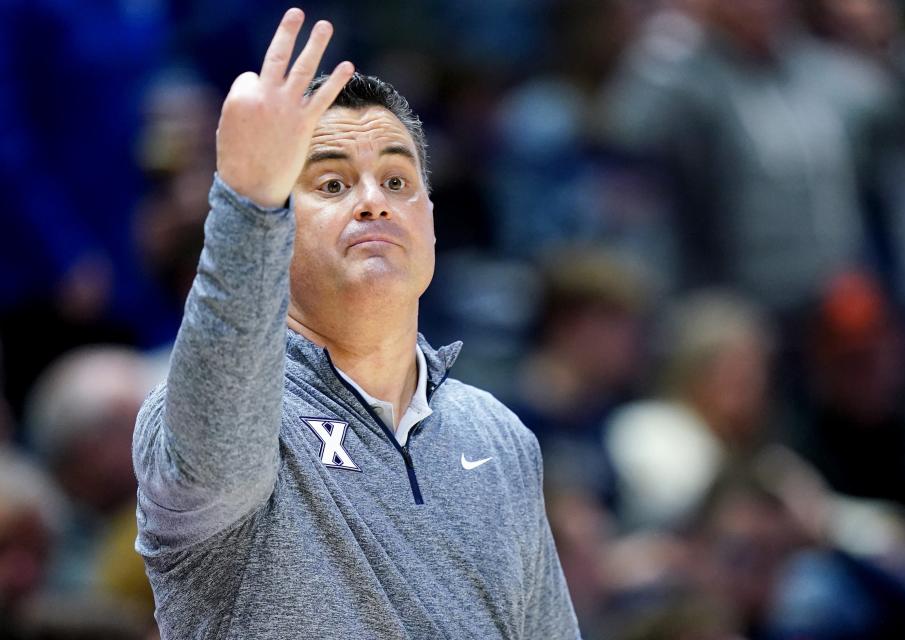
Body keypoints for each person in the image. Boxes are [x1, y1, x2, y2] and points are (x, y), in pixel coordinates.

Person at [132, 9, 579, 639]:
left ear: (429, 218)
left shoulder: (501, 435)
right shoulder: (211, 422)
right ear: (275, 228)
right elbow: (220, 440)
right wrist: (247, 195)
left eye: (397, 179)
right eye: (333, 182)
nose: (373, 199)